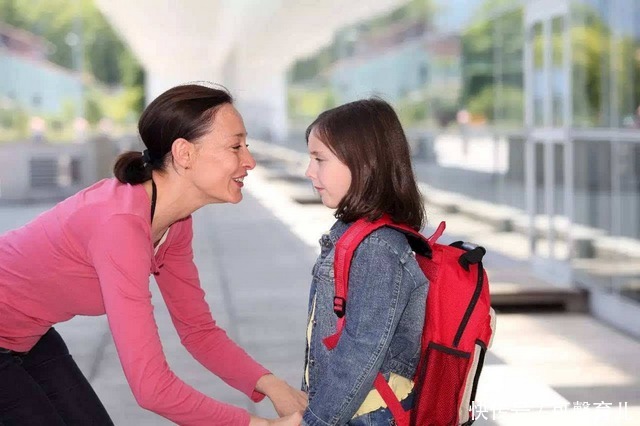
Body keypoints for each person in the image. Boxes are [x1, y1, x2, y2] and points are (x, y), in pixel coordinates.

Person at [0, 83, 306, 426]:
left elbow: (198, 331)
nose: (248, 160)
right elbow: (150, 387)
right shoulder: (120, 226)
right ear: (184, 153)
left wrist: (272, 385)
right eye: (236, 146)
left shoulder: (173, 223)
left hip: (27, 337)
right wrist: (254, 424)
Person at [301, 98, 428, 425]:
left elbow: (361, 352)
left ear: (364, 164)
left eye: (319, 159)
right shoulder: (356, 234)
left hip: (368, 415)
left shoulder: (377, 247)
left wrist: (315, 420)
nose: (309, 171)